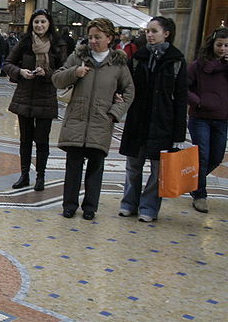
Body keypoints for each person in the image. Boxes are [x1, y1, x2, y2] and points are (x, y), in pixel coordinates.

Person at [52, 18, 134, 220]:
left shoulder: (118, 64)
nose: (93, 41)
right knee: (73, 166)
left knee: (95, 168)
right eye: (90, 37)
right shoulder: (78, 57)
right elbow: (57, 78)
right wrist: (75, 72)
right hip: (76, 120)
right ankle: (69, 205)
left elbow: (129, 91)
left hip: (100, 122)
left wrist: (115, 112)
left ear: (109, 38)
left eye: (98, 37)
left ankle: (90, 207)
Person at [119, 16, 187, 222]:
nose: (149, 34)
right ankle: (129, 203)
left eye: (154, 31)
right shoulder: (138, 57)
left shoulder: (176, 61)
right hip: (138, 120)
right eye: (147, 31)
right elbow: (126, 86)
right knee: (133, 165)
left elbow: (181, 98)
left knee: (157, 169)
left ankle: (149, 206)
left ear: (166, 33)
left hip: (162, 122)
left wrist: (179, 133)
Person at [3, 9, 67, 191]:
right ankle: (24, 175)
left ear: (49, 24)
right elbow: (7, 64)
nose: (39, 25)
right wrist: (20, 72)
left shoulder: (58, 44)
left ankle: (40, 176)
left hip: (46, 97)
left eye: (43, 22)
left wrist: (47, 73)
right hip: (25, 95)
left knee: (42, 140)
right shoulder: (24, 42)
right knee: (25, 139)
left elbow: (64, 72)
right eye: (36, 22)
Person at [186, 27, 228, 213]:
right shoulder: (197, 66)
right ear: (212, 45)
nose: (223, 49)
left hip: (222, 117)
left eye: (227, 46)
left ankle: (193, 181)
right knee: (202, 155)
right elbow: (183, 88)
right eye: (219, 45)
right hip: (200, 117)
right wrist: (199, 102)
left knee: (216, 157)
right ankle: (200, 194)